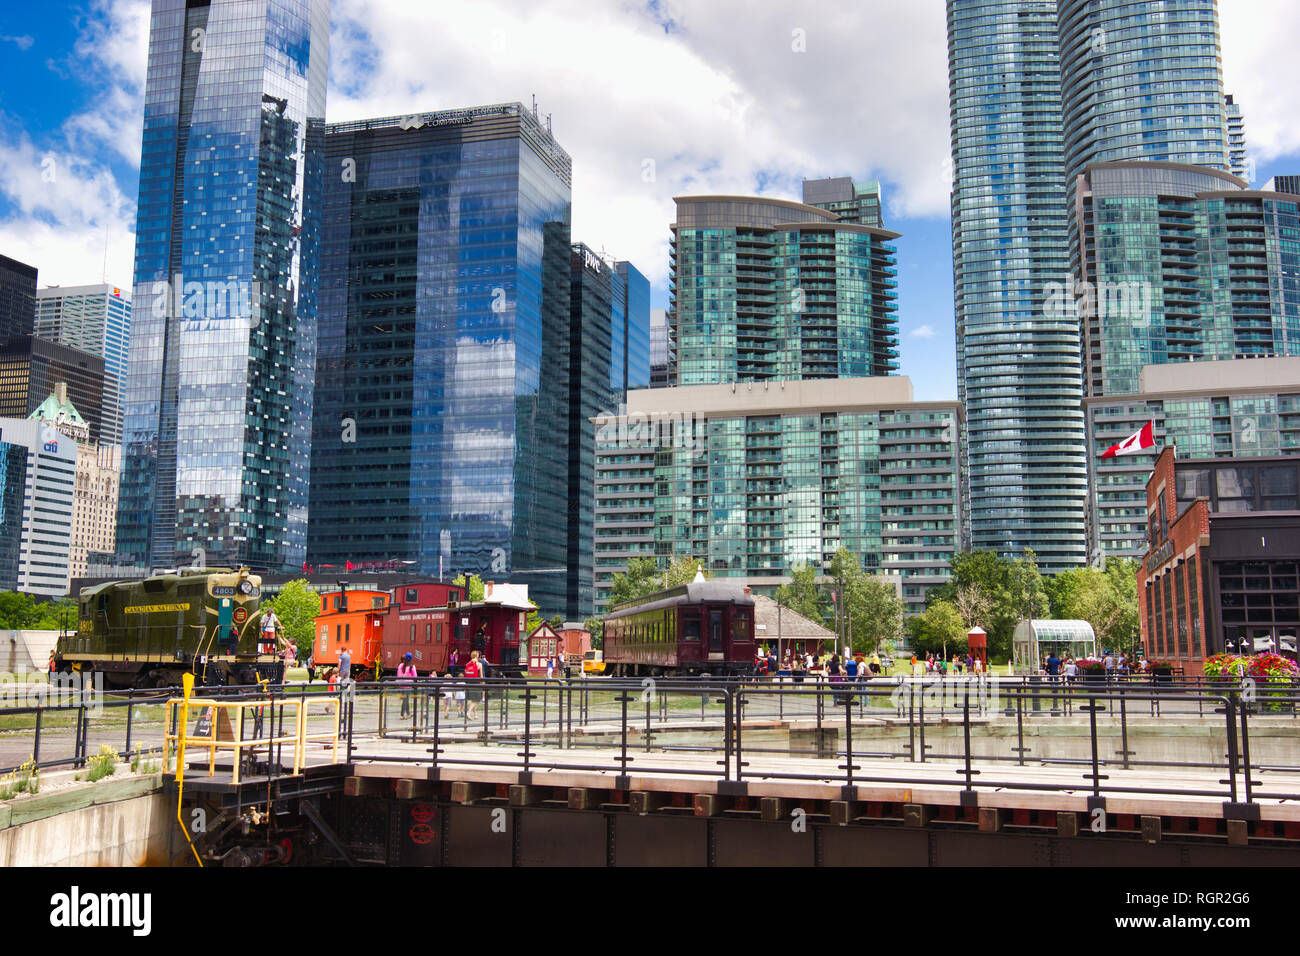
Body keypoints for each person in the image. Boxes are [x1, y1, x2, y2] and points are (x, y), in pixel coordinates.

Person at [464, 649, 485, 719]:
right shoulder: (479, 664)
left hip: (469, 682)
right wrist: (482, 683)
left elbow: (465, 671)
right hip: (477, 682)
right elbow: (481, 675)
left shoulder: (468, 664)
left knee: (473, 700)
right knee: (477, 699)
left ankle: (475, 715)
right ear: (477, 656)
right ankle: (468, 712)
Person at [397, 652, 417, 717]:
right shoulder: (412, 666)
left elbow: (398, 675)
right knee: (405, 700)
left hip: (401, 684)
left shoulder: (401, 665)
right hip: (408, 685)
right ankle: (402, 715)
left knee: (406, 699)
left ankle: (408, 713)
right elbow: (415, 676)